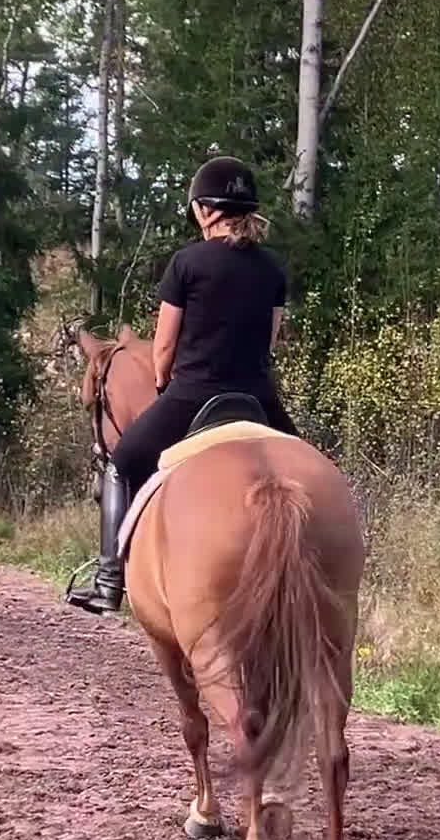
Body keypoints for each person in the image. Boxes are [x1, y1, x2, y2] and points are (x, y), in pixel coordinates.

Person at [68, 155, 298, 615]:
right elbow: (270, 341)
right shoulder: (273, 267)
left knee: (121, 465)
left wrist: (161, 384)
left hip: (193, 396)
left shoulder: (186, 263)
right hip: (258, 398)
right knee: (312, 470)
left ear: (203, 211)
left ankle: (109, 581)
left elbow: (164, 349)